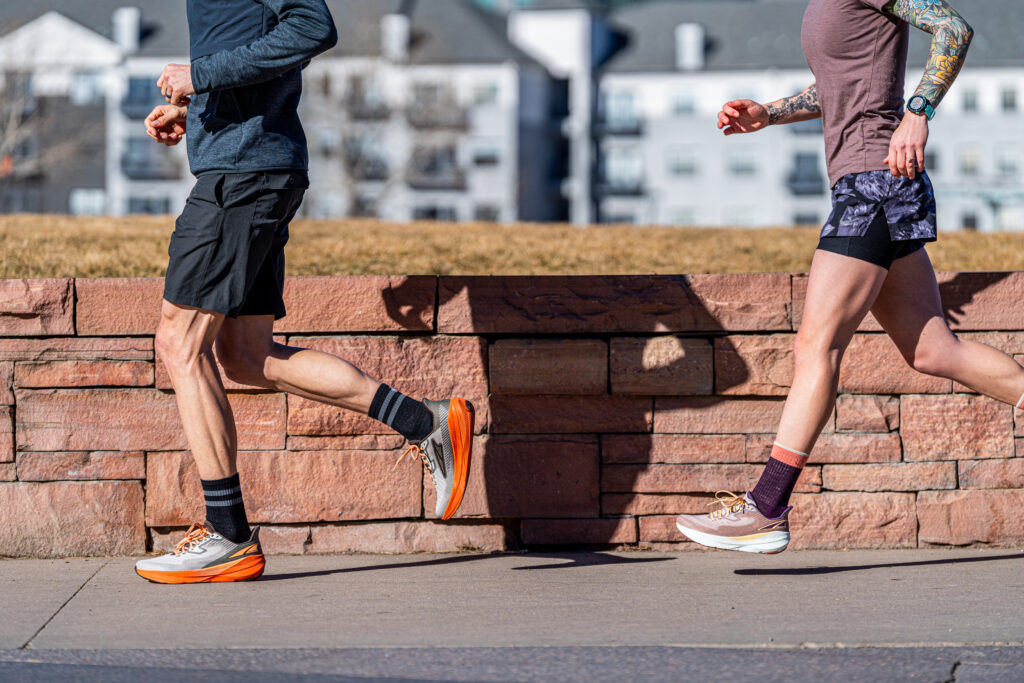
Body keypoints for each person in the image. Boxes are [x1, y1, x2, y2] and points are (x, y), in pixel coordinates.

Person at [134, 0, 474, 584]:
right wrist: (199, 106)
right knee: (246, 355)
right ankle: (425, 422)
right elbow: (258, 45)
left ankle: (227, 536)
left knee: (179, 343)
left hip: (243, 176)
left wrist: (202, 75)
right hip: (249, 164)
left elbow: (312, 26)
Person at [676, 0, 1023, 553]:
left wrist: (917, 113)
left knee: (816, 346)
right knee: (935, 351)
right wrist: (769, 113)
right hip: (871, 183)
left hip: (873, 185)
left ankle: (767, 508)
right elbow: (846, 88)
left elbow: (952, 28)